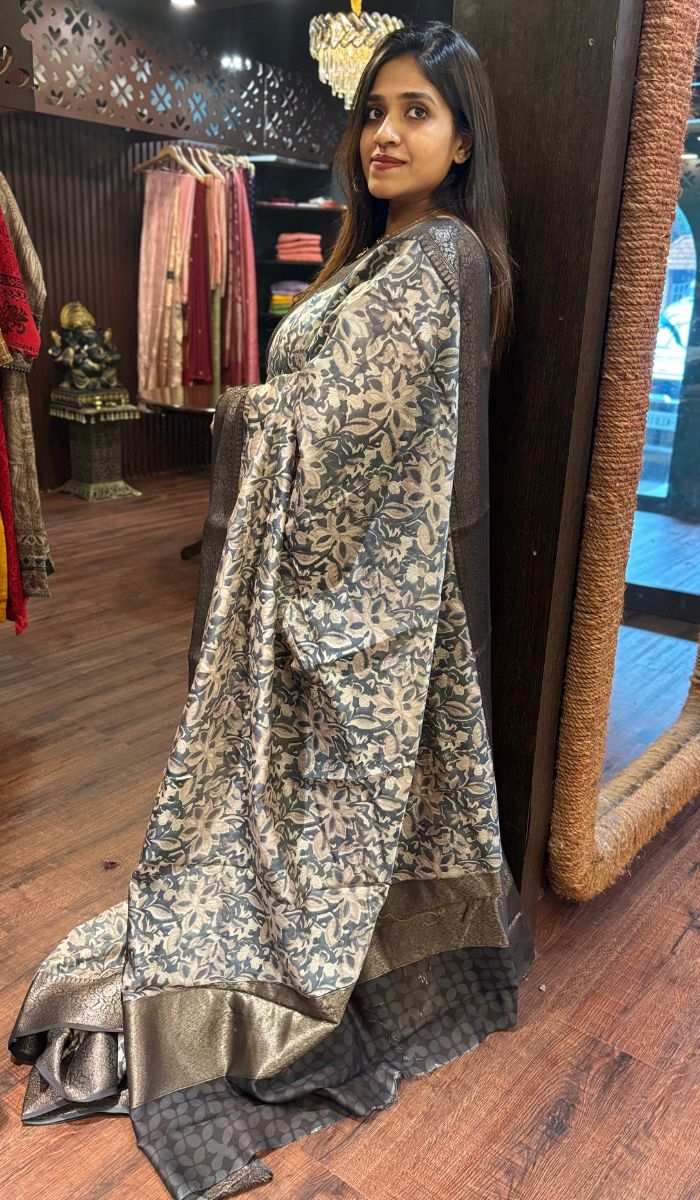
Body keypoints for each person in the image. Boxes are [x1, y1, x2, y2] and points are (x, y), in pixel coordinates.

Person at [8, 21, 535, 1199]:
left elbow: (352, 433)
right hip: (323, 583)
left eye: (416, 112)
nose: (385, 133)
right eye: (374, 111)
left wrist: (246, 407)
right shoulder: (374, 257)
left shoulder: (437, 258)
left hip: (365, 598)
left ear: (462, 142)